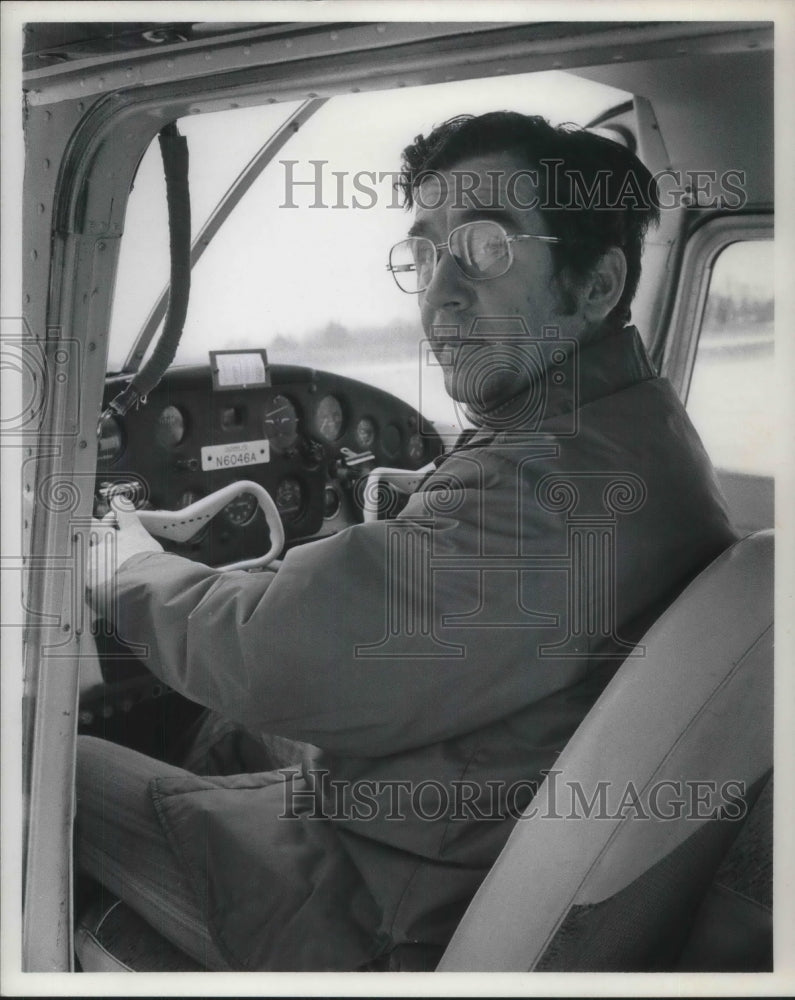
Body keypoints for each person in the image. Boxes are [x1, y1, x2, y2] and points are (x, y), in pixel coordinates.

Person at [78, 112, 738, 972]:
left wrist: (123, 566)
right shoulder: (628, 424)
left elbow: (271, 658)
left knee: (52, 763)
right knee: (223, 727)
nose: (440, 293)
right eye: (424, 255)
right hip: (475, 812)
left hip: (388, 907)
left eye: (485, 249)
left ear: (596, 284)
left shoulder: (545, 483)